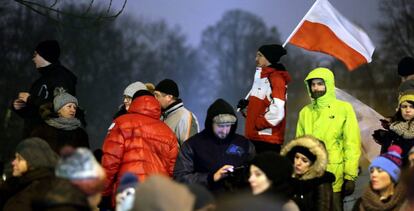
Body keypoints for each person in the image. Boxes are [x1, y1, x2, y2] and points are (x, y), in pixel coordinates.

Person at [296, 67, 361, 211]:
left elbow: (351, 143)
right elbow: (299, 146)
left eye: (320, 83)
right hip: (310, 174)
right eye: (313, 84)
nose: (316, 87)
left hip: (334, 172)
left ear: (328, 84)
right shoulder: (305, 112)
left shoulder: (344, 109)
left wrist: (350, 175)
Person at [101, 90, 179, 209]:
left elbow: (110, 161)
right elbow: (172, 170)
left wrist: (103, 192)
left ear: (135, 102)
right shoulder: (168, 133)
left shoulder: (121, 123)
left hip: (128, 191)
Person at [174, 98, 255, 194]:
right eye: (220, 126)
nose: (225, 131)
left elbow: (256, 173)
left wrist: (242, 175)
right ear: (210, 123)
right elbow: (180, 178)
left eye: (228, 125)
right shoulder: (192, 145)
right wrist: (211, 177)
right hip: (206, 203)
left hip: (237, 202)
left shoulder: (244, 144)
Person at [11, 40, 77, 137]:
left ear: (44, 55)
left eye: (35, 55)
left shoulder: (62, 78)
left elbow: (61, 109)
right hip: (33, 140)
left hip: (50, 141)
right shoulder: (40, 82)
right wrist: (20, 107)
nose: (33, 59)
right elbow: (35, 114)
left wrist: (30, 99)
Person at [237, 44, 291, 153]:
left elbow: (278, 111)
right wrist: (247, 108)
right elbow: (263, 107)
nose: (256, 59)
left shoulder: (276, 79)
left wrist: (259, 123)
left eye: (259, 55)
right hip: (255, 139)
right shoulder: (261, 77)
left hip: (267, 142)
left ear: (269, 57)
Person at [0, 138, 59, 210]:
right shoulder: (20, 184)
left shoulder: (35, 192)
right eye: (15, 158)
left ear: (33, 162)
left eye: (19, 159)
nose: (13, 162)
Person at [280, 135, 335, 211]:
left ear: (313, 164)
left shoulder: (321, 183)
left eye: (304, 160)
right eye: (296, 157)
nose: (298, 163)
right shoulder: (288, 179)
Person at [30, 87, 89, 154]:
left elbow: (84, 158)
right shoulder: (42, 130)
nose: (73, 110)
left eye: (75, 108)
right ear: (59, 109)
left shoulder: (80, 134)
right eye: (69, 106)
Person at [352, 145, 406, 211]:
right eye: (372, 171)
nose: (374, 174)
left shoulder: (406, 203)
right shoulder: (362, 202)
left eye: (380, 170)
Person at [154, 78, 199, 147]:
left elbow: (190, 150)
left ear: (169, 97)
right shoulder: (161, 116)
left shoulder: (185, 117)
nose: (154, 98)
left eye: (157, 95)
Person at [373, 90, 414, 165]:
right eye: (404, 106)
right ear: (399, 109)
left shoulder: (393, 128)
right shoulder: (392, 130)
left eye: (412, 107)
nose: (408, 110)